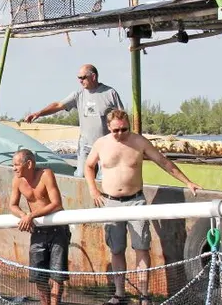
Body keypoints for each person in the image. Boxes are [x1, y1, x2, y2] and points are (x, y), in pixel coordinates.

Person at [84, 109, 203, 305]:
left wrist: (187, 182)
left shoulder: (139, 142)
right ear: (108, 127)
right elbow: (89, 166)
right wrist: (93, 190)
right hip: (111, 201)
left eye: (124, 129)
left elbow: (163, 162)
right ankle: (119, 293)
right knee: (116, 249)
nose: (121, 133)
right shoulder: (101, 144)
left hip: (136, 201)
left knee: (142, 247)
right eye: (116, 130)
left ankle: (144, 295)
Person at [25, 64, 124, 177]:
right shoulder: (78, 94)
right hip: (85, 145)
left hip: (105, 145)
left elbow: (122, 118)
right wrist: (39, 113)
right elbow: (58, 105)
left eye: (83, 78)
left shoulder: (110, 93)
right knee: (81, 175)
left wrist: (122, 141)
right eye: (79, 78)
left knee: (104, 178)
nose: (80, 81)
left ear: (93, 77)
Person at [9, 149, 67, 305]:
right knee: (38, 275)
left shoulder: (46, 174)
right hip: (38, 231)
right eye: (12, 165)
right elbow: (12, 205)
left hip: (57, 230)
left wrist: (31, 215)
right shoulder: (17, 180)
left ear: (29, 164)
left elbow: (56, 203)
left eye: (16, 165)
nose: (13, 168)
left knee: (57, 275)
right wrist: (23, 215)